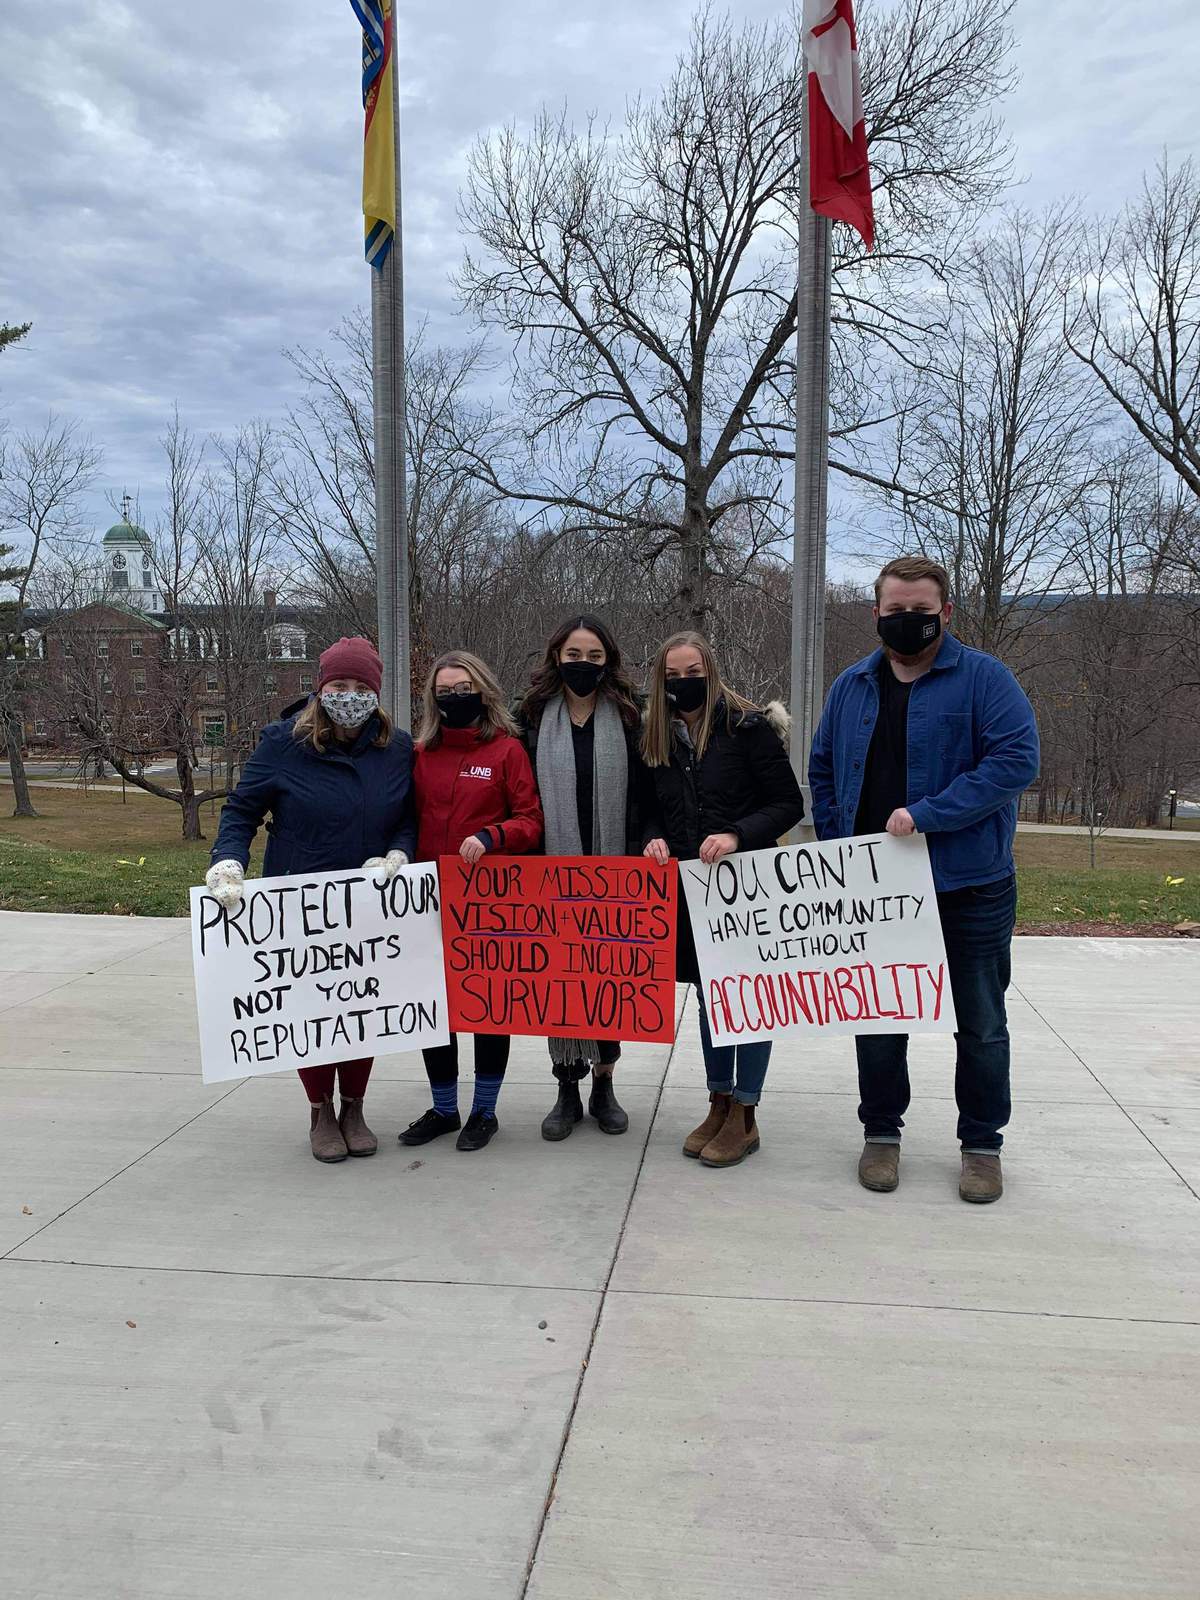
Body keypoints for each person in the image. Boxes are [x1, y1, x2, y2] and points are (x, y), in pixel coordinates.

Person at [808, 555, 1040, 1204]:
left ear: (946, 613)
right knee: (880, 1018)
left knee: (982, 1023)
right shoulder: (851, 685)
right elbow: (823, 769)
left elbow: (1016, 761)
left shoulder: (985, 679)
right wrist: (836, 848)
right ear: (876, 613)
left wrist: (929, 815)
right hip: (879, 889)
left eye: (921, 610)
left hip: (971, 885)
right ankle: (881, 1134)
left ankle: (982, 1146)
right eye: (895, 610)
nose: (908, 621)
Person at [205, 636, 415, 1164]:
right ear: (320, 690)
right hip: (300, 900)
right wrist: (228, 860)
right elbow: (241, 810)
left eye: (361, 686)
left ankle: (355, 1107)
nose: (350, 695)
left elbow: (410, 815)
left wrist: (398, 853)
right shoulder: (282, 743)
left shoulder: (399, 749)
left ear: (376, 691)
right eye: (339, 686)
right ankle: (321, 1110)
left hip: (371, 900)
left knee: (363, 1007)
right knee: (314, 1011)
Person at [641, 632, 804, 1168]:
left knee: (750, 999)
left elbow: (787, 804)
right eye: (672, 674)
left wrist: (736, 833)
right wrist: (653, 836)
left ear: (710, 670)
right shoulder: (658, 737)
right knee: (713, 1001)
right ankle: (719, 1099)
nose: (682, 682)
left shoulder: (747, 728)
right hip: (691, 892)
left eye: (692, 671)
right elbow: (649, 808)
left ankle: (746, 1114)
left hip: (749, 888)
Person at [401, 649, 544, 1153]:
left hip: (486, 901)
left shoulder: (506, 751)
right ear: (432, 697)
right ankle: (444, 1108)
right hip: (424, 897)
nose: (455, 697)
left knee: (487, 1006)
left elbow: (531, 821)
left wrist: (493, 835)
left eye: (464, 689)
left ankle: (484, 1109)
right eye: (445, 690)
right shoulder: (419, 753)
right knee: (431, 1006)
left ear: (483, 692)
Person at [517, 613, 645, 1142]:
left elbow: (646, 793)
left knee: (609, 981)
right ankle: (567, 1088)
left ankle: (605, 1085)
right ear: (556, 659)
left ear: (608, 661)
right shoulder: (531, 718)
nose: (584, 665)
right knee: (563, 983)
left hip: (616, 871)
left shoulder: (630, 717)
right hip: (552, 874)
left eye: (594, 657)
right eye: (574, 656)